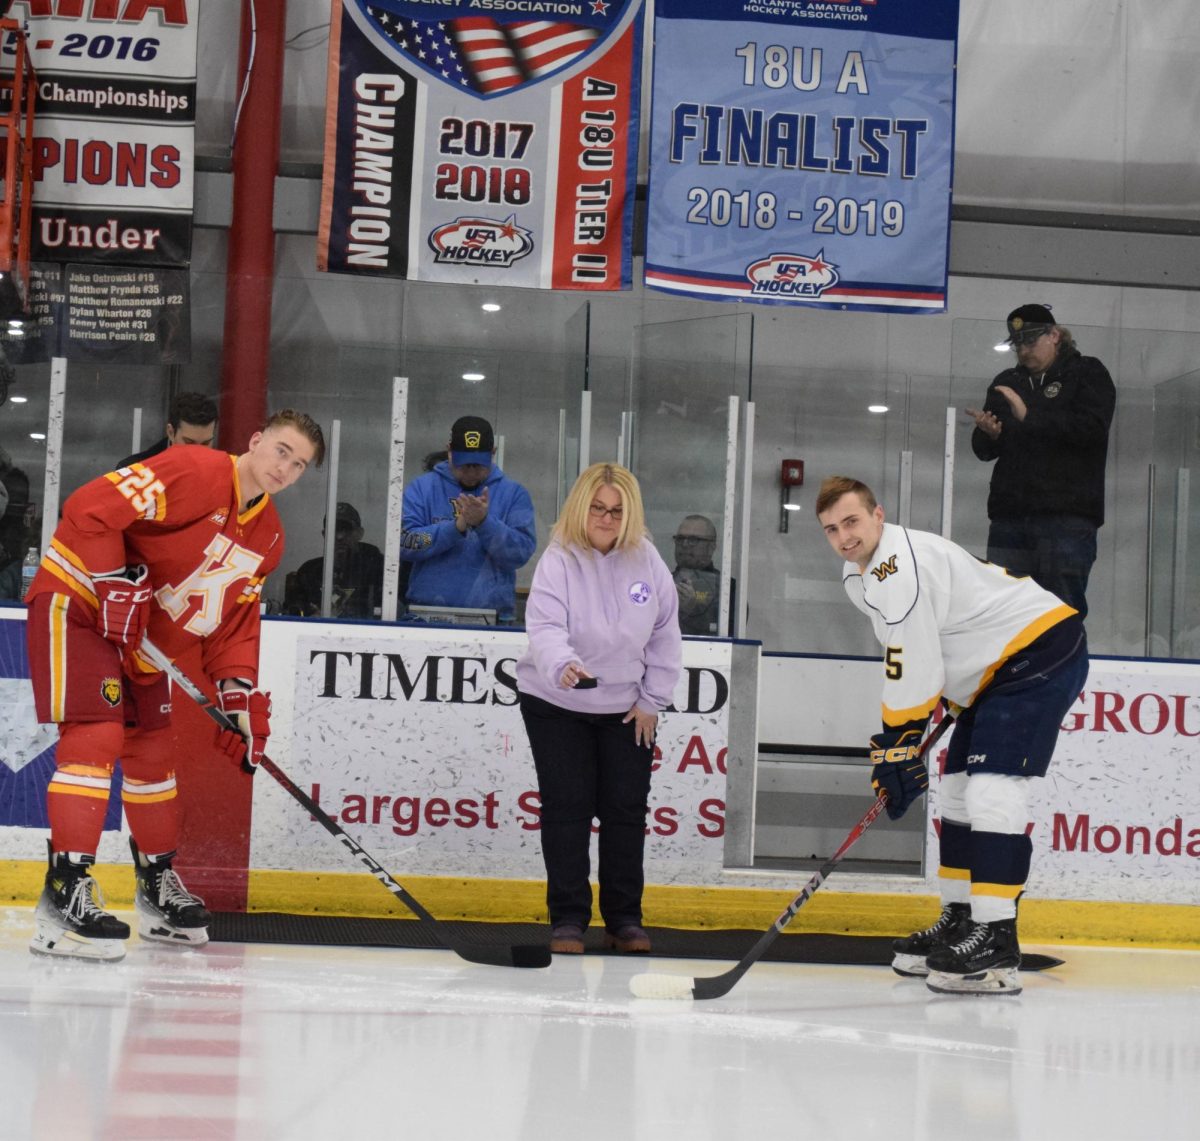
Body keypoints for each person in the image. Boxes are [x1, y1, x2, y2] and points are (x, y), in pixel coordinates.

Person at [24, 409, 326, 961]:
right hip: (81, 602)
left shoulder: (270, 536)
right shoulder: (192, 469)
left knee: (154, 754)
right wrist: (113, 580)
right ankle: (64, 890)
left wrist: (238, 699)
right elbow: (89, 507)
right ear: (255, 440)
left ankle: (156, 886)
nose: (286, 467)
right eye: (281, 450)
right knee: (96, 738)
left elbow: (231, 624)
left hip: (141, 638)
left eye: (300, 463)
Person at [815, 475, 1087, 996]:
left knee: (991, 789)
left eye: (851, 521)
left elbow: (912, 659)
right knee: (958, 792)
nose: (844, 536)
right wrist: (903, 738)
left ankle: (996, 935)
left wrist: (898, 742)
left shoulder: (897, 566)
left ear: (878, 515)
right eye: (831, 529)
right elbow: (920, 653)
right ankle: (962, 919)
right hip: (992, 675)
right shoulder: (859, 575)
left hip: (1041, 649)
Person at [516, 462, 682, 955]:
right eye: (598, 508)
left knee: (624, 811)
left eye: (616, 511)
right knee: (567, 808)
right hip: (555, 702)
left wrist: (653, 700)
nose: (607, 519)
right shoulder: (559, 559)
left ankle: (624, 921)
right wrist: (561, 663)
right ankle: (568, 920)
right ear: (580, 507)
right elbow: (544, 627)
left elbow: (665, 633)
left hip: (627, 709)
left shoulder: (647, 561)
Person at [966, 304, 1115, 617]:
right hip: (1010, 518)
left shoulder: (1088, 373)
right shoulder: (1007, 381)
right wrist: (990, 434)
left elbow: (1091, 430)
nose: (1023, 350)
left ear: (1055, 335)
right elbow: (984, 450)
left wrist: (1029, 415)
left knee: (1060, 613)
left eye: (1031, 341)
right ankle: (1011, 668)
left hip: (1066, 518)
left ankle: (1061, 667)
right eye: (1018, 344)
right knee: (1003, 612)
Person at [400, 415, 535, 622]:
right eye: (464, 465)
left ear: (493, 453)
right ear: (449, 451)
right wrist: (454, 528)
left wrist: (485, 524)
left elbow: (520, 553)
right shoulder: (422, 489)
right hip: (426, 617)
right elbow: (406, 543)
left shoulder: (514, 495)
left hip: (493, 620)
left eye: (478, 465)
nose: (471, 473)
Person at [282, 501, 384, 619]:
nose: (339, 537)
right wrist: (313, 617)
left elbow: (388, 612)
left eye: (346, 530)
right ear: (324, 534)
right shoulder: (309, 572)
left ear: (360, 533)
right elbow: (292, 615)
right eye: (333, 530)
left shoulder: (376, 568)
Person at [117, 391, 219, 468]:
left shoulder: (225, 472)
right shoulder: (133, 470)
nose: (198, 453)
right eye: (189, 442)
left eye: (206, 443)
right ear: (171, 432)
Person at [671, 514, 721, 635]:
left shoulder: (728, 589)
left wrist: (692, 609)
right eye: (680, 539)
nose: (685, 544)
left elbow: (727, 633)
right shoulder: (660, 582)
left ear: (711, 547)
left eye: (693, 540)